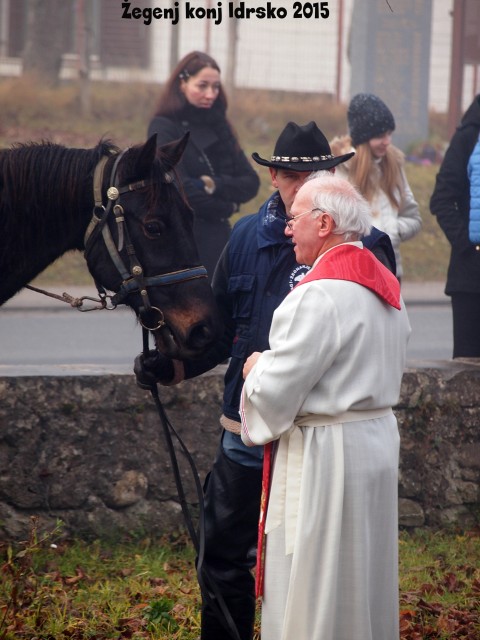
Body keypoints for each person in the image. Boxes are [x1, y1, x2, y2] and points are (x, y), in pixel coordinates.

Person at [134, 121, 396, 640]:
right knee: (222, 559)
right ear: (274, 175)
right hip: (245, 437)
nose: (304, 185)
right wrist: (174, 365)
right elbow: (220, 325)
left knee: (308, 565)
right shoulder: (245, 237)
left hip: (316, 440)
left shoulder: (366, 244)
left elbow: (373, 332)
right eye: (293, 176)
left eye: (317, 174)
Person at [240, 173, 411, 640]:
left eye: (295, 220)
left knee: (317, 577)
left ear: (325, 223)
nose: (286, 229)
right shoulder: (387, 287)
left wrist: (255, 368)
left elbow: (278, 391)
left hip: (327, 455)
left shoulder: (317, 295)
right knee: (363, 573)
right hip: (373, 441)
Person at [147, 51, 260, 279]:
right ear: (183, 83)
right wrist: (226, 207)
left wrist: (212, 185)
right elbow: (181, 190)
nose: (210, 94)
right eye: (202, 86)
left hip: (219, 238)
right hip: (181, 241)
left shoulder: (220, 126)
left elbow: (250, 182)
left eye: (216, 87)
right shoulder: (164, 127)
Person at [330, 92, 422, 280]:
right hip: (348, 271)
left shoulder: (394, 165)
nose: (387, 141)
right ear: (363, 137)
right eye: (381, 135)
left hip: (389, 270)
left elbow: (414, 218)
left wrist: (392, 230)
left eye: (389, 134)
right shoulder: (338, 169)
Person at [430, 94, 480, 358]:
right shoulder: (468, 137)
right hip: (471, 280)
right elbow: (442, 200)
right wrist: (467, 246)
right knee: (467, 376)